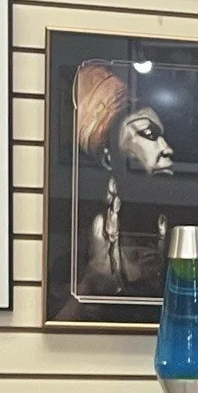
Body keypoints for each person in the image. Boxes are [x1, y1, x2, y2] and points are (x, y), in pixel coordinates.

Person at [71, 62, 174, 298]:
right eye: (148, 134)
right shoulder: (88, 235)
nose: (167, 149)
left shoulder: (183, 226)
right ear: (110, 157)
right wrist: (93, 281)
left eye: (164, 137)